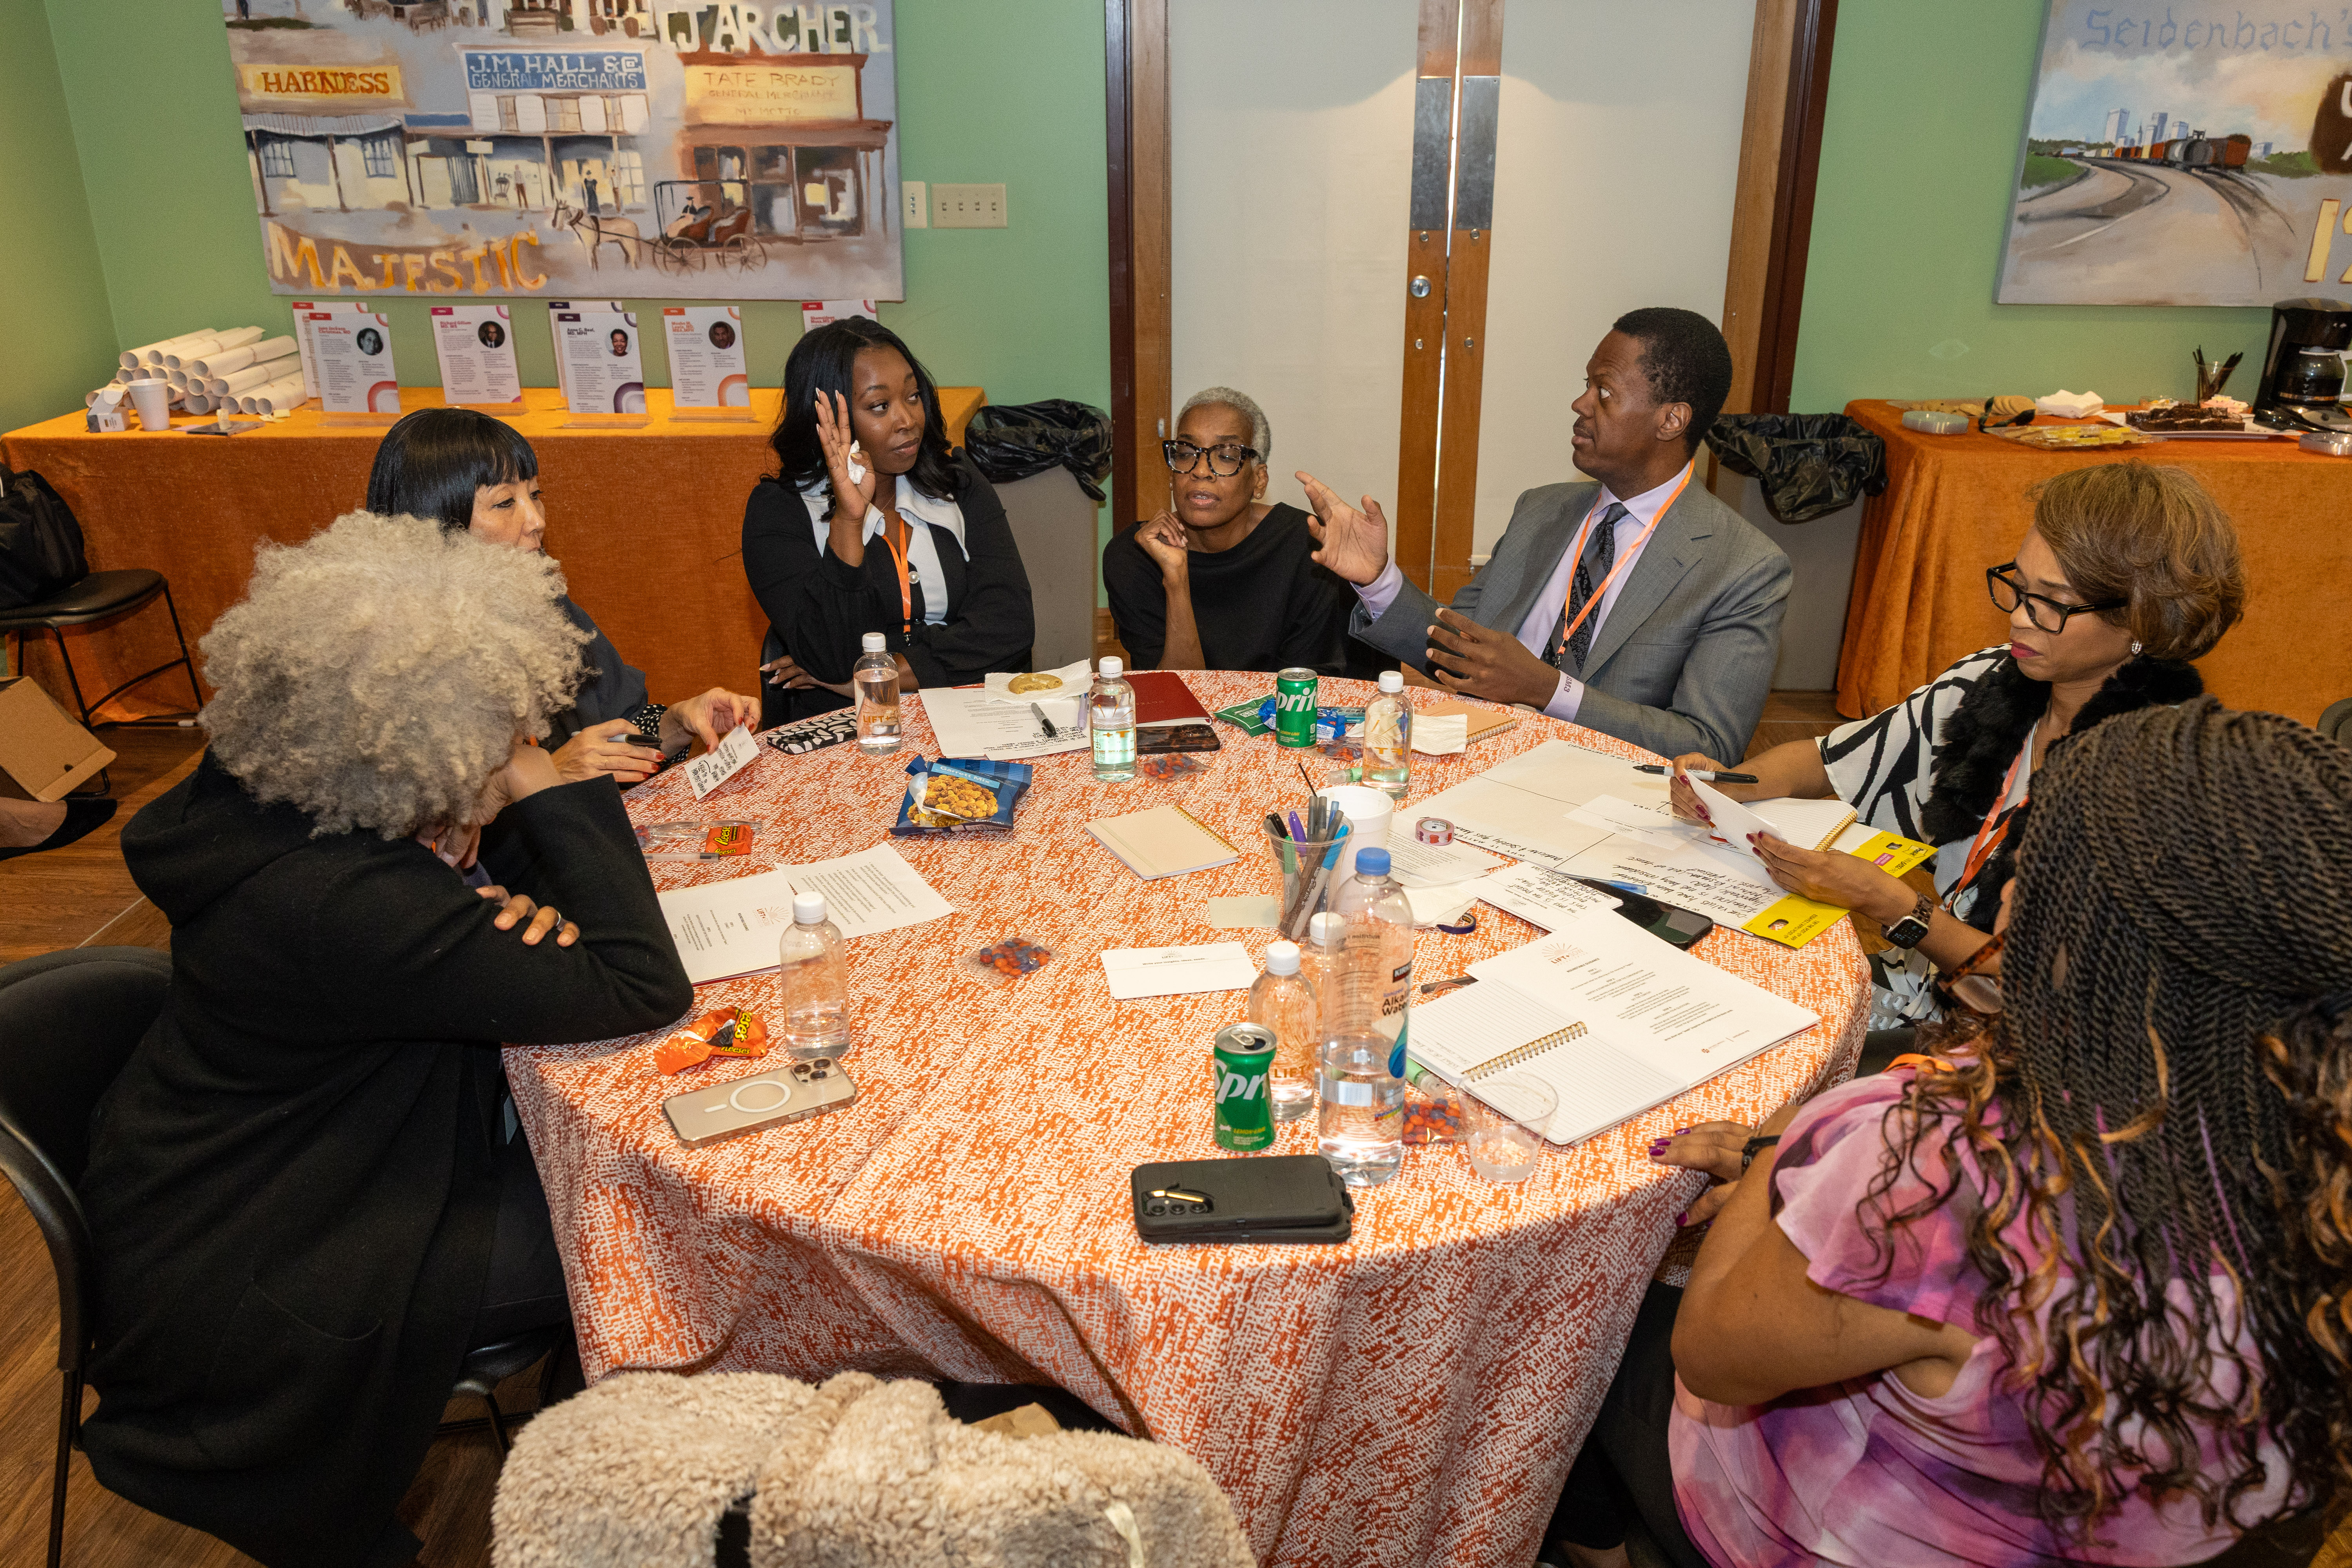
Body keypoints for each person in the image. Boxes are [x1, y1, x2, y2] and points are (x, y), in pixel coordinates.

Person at [1546, 697, 2350, 1568]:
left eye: (2035, 871)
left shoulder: (1946, 1171)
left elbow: (1712, 1357)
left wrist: (1785, 1152)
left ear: (2077, 933)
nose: (2006, 894)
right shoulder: (2310, 1144)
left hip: (1842, 1528)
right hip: (2114, 1527)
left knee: (1581, 1323)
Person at [76, 513, 694, 1568]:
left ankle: (585, 1442)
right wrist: (544, 784)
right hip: (281, 1262)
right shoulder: (342, 899)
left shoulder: (276, 797)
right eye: (501, 728)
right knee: (657, 1232)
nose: (515, 740)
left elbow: (525, 943)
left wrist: (491, 893)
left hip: (263, 1170)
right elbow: (641, 980)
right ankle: (622, 1514)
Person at [1670, 461, 2243, 1031]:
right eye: (2019, 587)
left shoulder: (2166, 772)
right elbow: (1822, 761)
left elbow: (2060, 983)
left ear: (2143, 615)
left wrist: (1891, 905)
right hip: (1922, 988)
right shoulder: (1991, 684)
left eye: (2054, 602)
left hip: (2025, 1051)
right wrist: (1725, 786)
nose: (2020, 618)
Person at [1300, 307, 1789, 761]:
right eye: (1586, 385)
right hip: (1479, 763)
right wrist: (1379, 580)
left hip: (1603, 798)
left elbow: (1710, 743)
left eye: (1605, 391)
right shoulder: (1542, 510)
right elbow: (1456, 650)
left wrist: (1548, 689)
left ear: (1671, 420)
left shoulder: (1742, 566)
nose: (1580, 404)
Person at [367, 407, 757, 789]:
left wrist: (676, 725)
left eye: (534, 495)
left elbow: (611, 739)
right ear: (435, 524)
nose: (537, 520)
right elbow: (421, 833)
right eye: (506, 503)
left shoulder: (546, 609)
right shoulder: (393, 660)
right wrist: (553, 773)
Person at [742, 315, 1034, 724]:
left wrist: (883, 673)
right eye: (880, 406)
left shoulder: (956, 481)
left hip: (965, 716)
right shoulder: (781, 512)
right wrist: (847, 519)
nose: (907, 420)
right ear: (823, 417)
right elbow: (832, 657)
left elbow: (1010, 625)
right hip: (845, 732)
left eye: (913, 397)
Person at [1102, 386, 1363, 674]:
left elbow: (1302, 689)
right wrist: (1176, 580)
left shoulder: (1305, 544)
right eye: (1187, 453)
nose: (1200, 471)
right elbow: (1173, 695)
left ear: (1259, 481)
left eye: (1226, 456)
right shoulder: (1135, 555)